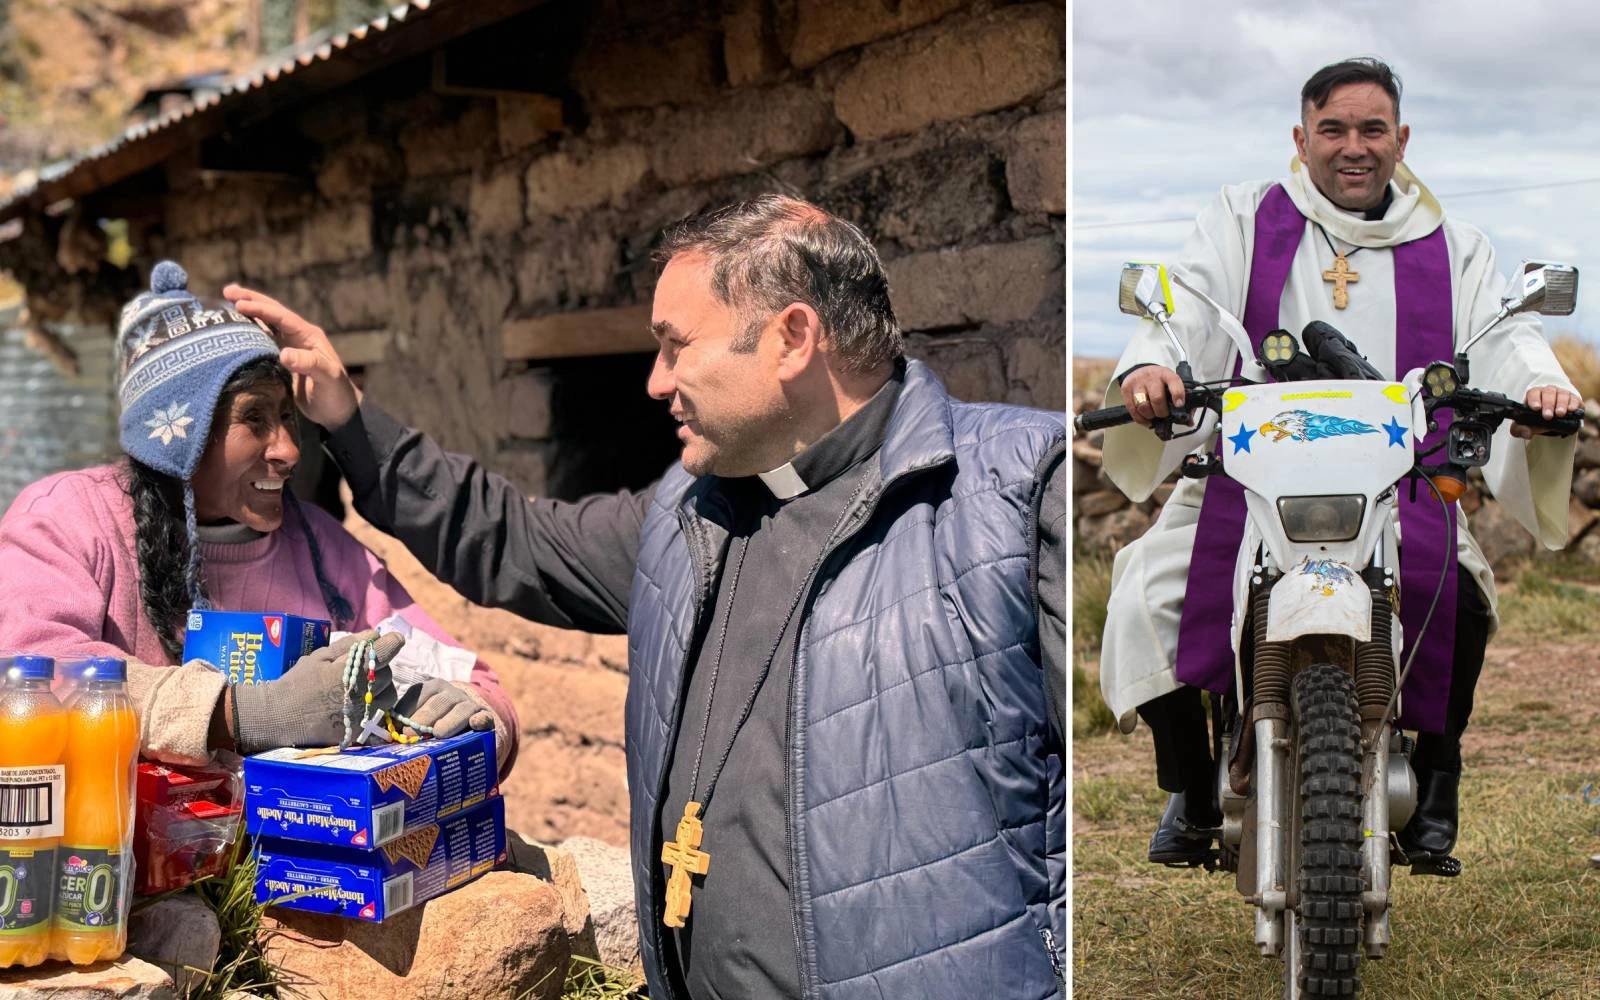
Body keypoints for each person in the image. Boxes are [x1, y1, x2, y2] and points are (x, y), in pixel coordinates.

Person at [224, 194, 1067, 1000]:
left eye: (676, 346)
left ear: (793, 336)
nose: (656, 383)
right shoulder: (686, 518)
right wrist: (348, 415)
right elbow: (512, 536)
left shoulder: (1009, 496)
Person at [1097, 58, 1579, 876]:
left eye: (1372, 129)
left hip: (1396, 481)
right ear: (1301, 137)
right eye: (1333, 129)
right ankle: (1191, 790)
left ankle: (1434, 777)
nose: (1353, 147)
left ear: (1402, 140)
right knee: (1148, 594)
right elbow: (1189, 297)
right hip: (1252, 474)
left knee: (1457, 595)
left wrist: (1540, 384)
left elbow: (1501, 334)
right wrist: (1154, 365)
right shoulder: (1245, 217)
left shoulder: (1453, 246)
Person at [0, 262, 518, 774]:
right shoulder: (68, 521)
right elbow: (27, 675)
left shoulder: (321, 548)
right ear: (180, 435)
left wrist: (480, 719)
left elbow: (481, 687)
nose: (289, 450)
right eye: (254, 419)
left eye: (287, 416)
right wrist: (246, 714)